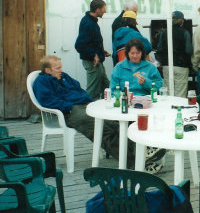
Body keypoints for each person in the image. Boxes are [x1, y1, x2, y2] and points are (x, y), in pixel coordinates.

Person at [33, 55, 164, 173]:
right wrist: (70, 104)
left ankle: (141, 152)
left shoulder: (64, 77)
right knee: (102, 130)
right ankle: (134, 163)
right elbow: (48, 101)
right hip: (69, 112)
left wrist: (87, 102)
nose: (61, 70)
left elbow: (80, 90)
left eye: (61, 67)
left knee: (113, 122)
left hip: (84, 105)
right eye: (57, 68)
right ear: (47, 70)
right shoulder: (42, 82)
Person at [75, 0, 110, 100]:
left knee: (107, 87)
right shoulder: (89, 23)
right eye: (104, 9)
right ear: (98, 10)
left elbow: (90, 42)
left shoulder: (91, 21)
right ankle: (86, 113)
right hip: (92, 63)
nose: (105, 11)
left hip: (97, 63)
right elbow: (79, 45)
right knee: (92, 91)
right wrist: (93, 55)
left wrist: (101, 52)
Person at [156, 11, 193, 98]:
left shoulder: (164, 32)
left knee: (168, 94)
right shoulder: (185, 33)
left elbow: (159, 49)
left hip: (167, 66)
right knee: (180, 94)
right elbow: (188, 50)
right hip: (182, 67)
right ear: (182, 21)